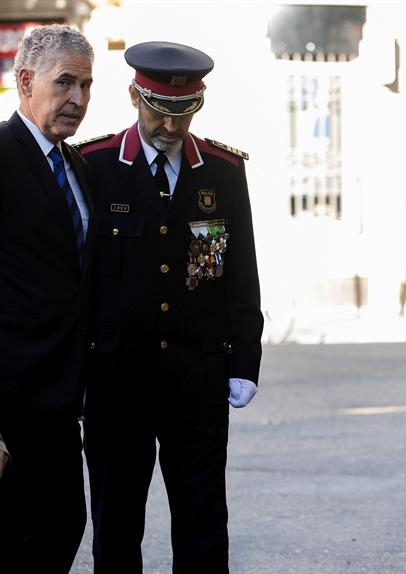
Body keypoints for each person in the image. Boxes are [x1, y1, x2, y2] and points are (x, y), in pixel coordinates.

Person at [78, 41, 264, 574]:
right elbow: (81, 281)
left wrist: (242, 360)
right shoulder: (95, 166)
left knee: (203, 520)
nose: (169, 126)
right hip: (116, 378)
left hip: (195, 374)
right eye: (159, 111)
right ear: (135, 97)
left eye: (183, 113)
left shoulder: (223, 172)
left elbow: (239, 272)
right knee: (115, 524)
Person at [0, 23, 94, 573]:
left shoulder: (77, 166)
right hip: (10, 412)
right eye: (65, 84)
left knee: (63, 528)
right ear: (26, 81)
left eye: (86, 86)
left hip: (62, 409)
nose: (77, 100)